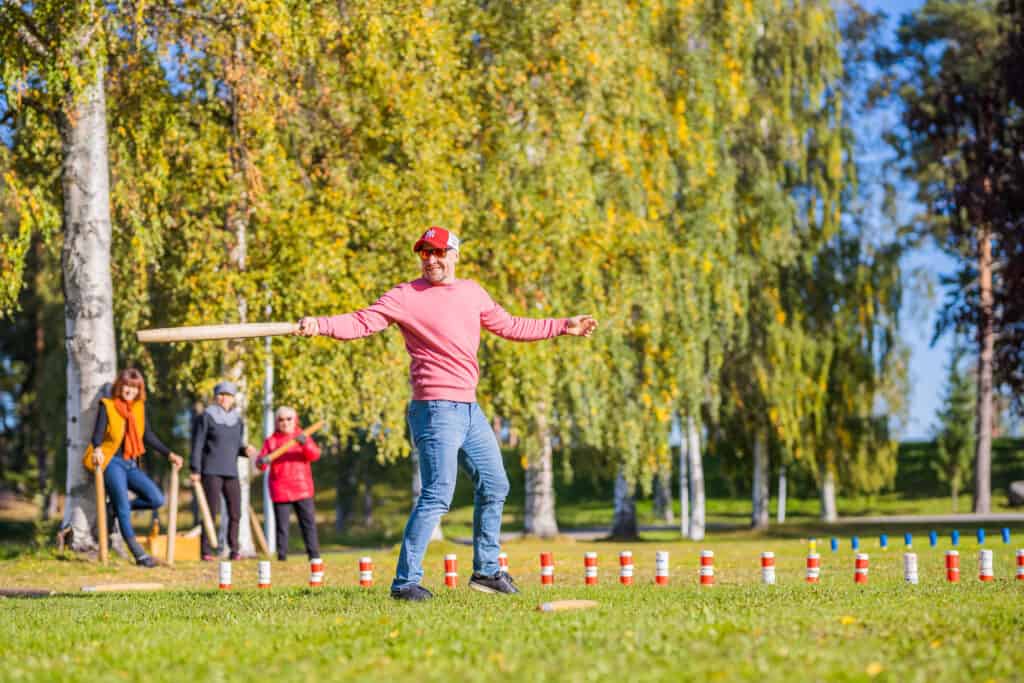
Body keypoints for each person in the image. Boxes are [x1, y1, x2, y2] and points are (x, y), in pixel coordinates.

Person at [295, 226, 597, 601]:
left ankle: (486, 572)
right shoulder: (405, 296)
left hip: (469, 409)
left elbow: (512, 325)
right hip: (434, 408)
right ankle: (406, 582)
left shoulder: (473, 292)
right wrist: (319, 324)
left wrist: (562, 326)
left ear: (454, 254)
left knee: (495, 484)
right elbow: (362, 322)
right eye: (424, 254)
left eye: (438, 253)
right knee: (438, 493)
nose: (431, 260)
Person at [86, 368, 183, 567]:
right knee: (123, 506)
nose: (129, 390)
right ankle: (139, 555)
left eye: (134, 387)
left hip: (130, 462)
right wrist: (96, 449)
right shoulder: (108, 405)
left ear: (139, 390)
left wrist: (169, 454)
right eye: (126, 385)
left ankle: (114, 508)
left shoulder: (138, 409)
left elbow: (147, 436)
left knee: (156, 498)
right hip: (111, 462)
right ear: (119, 386)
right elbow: (96, 435)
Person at [189, 381, 257, 560]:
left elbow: (235, 446)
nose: (224, 398)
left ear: (233, 398)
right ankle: (206, 551)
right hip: (210, 471)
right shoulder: (207, 416)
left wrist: (245, 450)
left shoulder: (238, 420)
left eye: (228, 395)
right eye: (221, 394)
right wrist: (195, 468)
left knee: (236, 511)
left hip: (231, 471)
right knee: (210, 511)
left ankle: (234, 549)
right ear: (216, 396)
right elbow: (198, 444)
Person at [256, 406, 322, 561]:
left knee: (308, 524)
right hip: (280, 489)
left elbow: (315, 455)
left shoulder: (302, 436)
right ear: (276, 422)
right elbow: (261, 464)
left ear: (295, 420)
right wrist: (261, 461)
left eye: (288, 419)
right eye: (281, 419)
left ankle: (314, 556)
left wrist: (305, 443)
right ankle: (282, 556)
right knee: (282, 527)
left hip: (302, 487)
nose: (285, 422)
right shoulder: (271, 441)